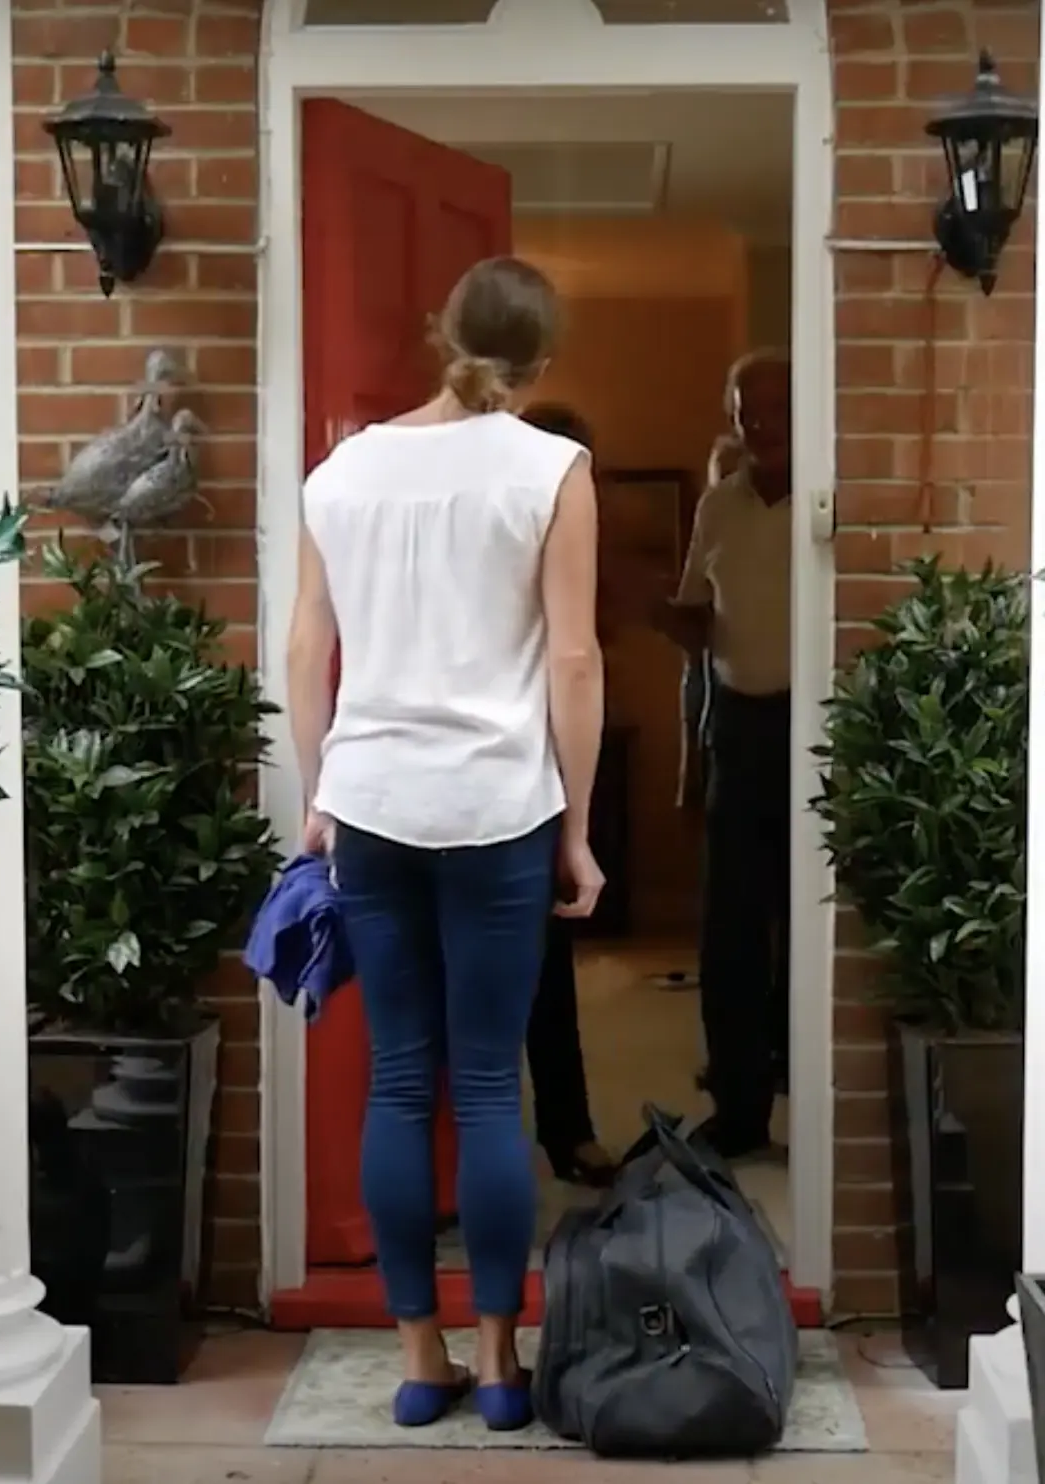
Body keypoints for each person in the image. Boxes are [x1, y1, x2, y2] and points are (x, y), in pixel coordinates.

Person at [285, 257, 606, 1432]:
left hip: (370, 803)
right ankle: (501, 1361)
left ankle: (420, 1360)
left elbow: (304, 646)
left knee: (397, 1081)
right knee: (484, 1086)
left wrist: (317, 797)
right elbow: (571, 659)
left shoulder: (342, 472)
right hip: (496, 808)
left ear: (441, 333)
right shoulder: (551, 469)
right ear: (541, 359)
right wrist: (577, 826)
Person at [659, 348, 792, 1161]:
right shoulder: (718, 506)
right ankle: (741, 1113)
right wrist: (643, 603)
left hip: (818, 733)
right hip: (739, 728)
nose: (761, 425)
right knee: (730, 932)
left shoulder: (831, 497)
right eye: (748, 413)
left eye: (774, 410)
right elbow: (698, 621)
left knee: (809, 931)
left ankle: (809, 1098)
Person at [513, 401, 621, 1190]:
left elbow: (582, 651)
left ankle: (568, 1128)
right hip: (501, 765)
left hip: (553, 759)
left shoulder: (580, 538)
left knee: (548, 967)